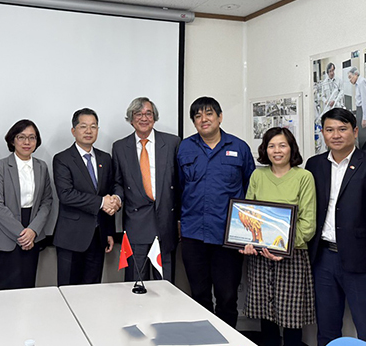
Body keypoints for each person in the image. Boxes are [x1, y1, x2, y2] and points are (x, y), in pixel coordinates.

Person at [305, 108, 366, 346]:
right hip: (323, 259)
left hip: (363, 261)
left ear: (354, 131)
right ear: (322, 133)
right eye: (329, 130)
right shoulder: (314, 164)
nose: (336, 135)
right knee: (327, 327)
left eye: (342, 129)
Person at [177, 96, 255, 327]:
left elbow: (251, 189)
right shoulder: (185, 147)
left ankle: (228, 339)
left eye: (209, 113)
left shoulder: (239, 148)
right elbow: (180, 186)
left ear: (219, 117)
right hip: (193, 234)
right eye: (198, 116)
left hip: (228, 236)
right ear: (194, 122)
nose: (204, 119)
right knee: (199, 295)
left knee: (227, 296)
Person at [240, 127, 316, 346]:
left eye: (282, 145)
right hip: (261, 256)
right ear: (265, 149)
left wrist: (284, 249)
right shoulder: (258, 174)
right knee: (266, 315)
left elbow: (308, 223)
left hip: (292, 256)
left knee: (292, 318)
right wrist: (247, 242)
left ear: (291, 148)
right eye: (271, 145)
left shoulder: (304, 177)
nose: (277, 150)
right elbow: (248, 215)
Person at [112, 97, 180, 282]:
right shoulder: (119, 147)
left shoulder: (173, 143)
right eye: (138, 114)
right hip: (135, 224)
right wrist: (117, 199)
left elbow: (181, 182)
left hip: (165, 223)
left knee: (165, 284)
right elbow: (118, 182)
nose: (144, 118)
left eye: (148, 113)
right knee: (136, 284)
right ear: (131, 119)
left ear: (154, 117)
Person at [52, 108, 118, 286]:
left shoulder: (105, 158)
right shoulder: (62, 159)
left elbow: (108, 192)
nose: (89, 131)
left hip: (98, 237)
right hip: (71, 238)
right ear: (74, 131)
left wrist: (109, 232)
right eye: (83, 126)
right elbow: (66, 195)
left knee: (93, 289)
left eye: (93, 126)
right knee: (68, 289)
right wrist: (101, 202)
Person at [0, 120, 53, 290]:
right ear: (12, 140)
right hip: (5, 234)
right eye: (21, 137)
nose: (27, 142)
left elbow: (46, 201)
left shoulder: (41, 167)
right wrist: (22, 233)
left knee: (26, 290)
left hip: (33, 232)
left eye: (32, 138)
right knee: (1, 293)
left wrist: (32, 231)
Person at [347, 67, 366, 153]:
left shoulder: (361, 82)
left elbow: (365, 101)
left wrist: (364, 118)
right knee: (360, 136)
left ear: (356, 74)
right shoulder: (358, 83)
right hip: (359, 110)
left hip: (363, 111)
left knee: (364, 137)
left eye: (350, 77)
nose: (350, 80)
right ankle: (363, 155)